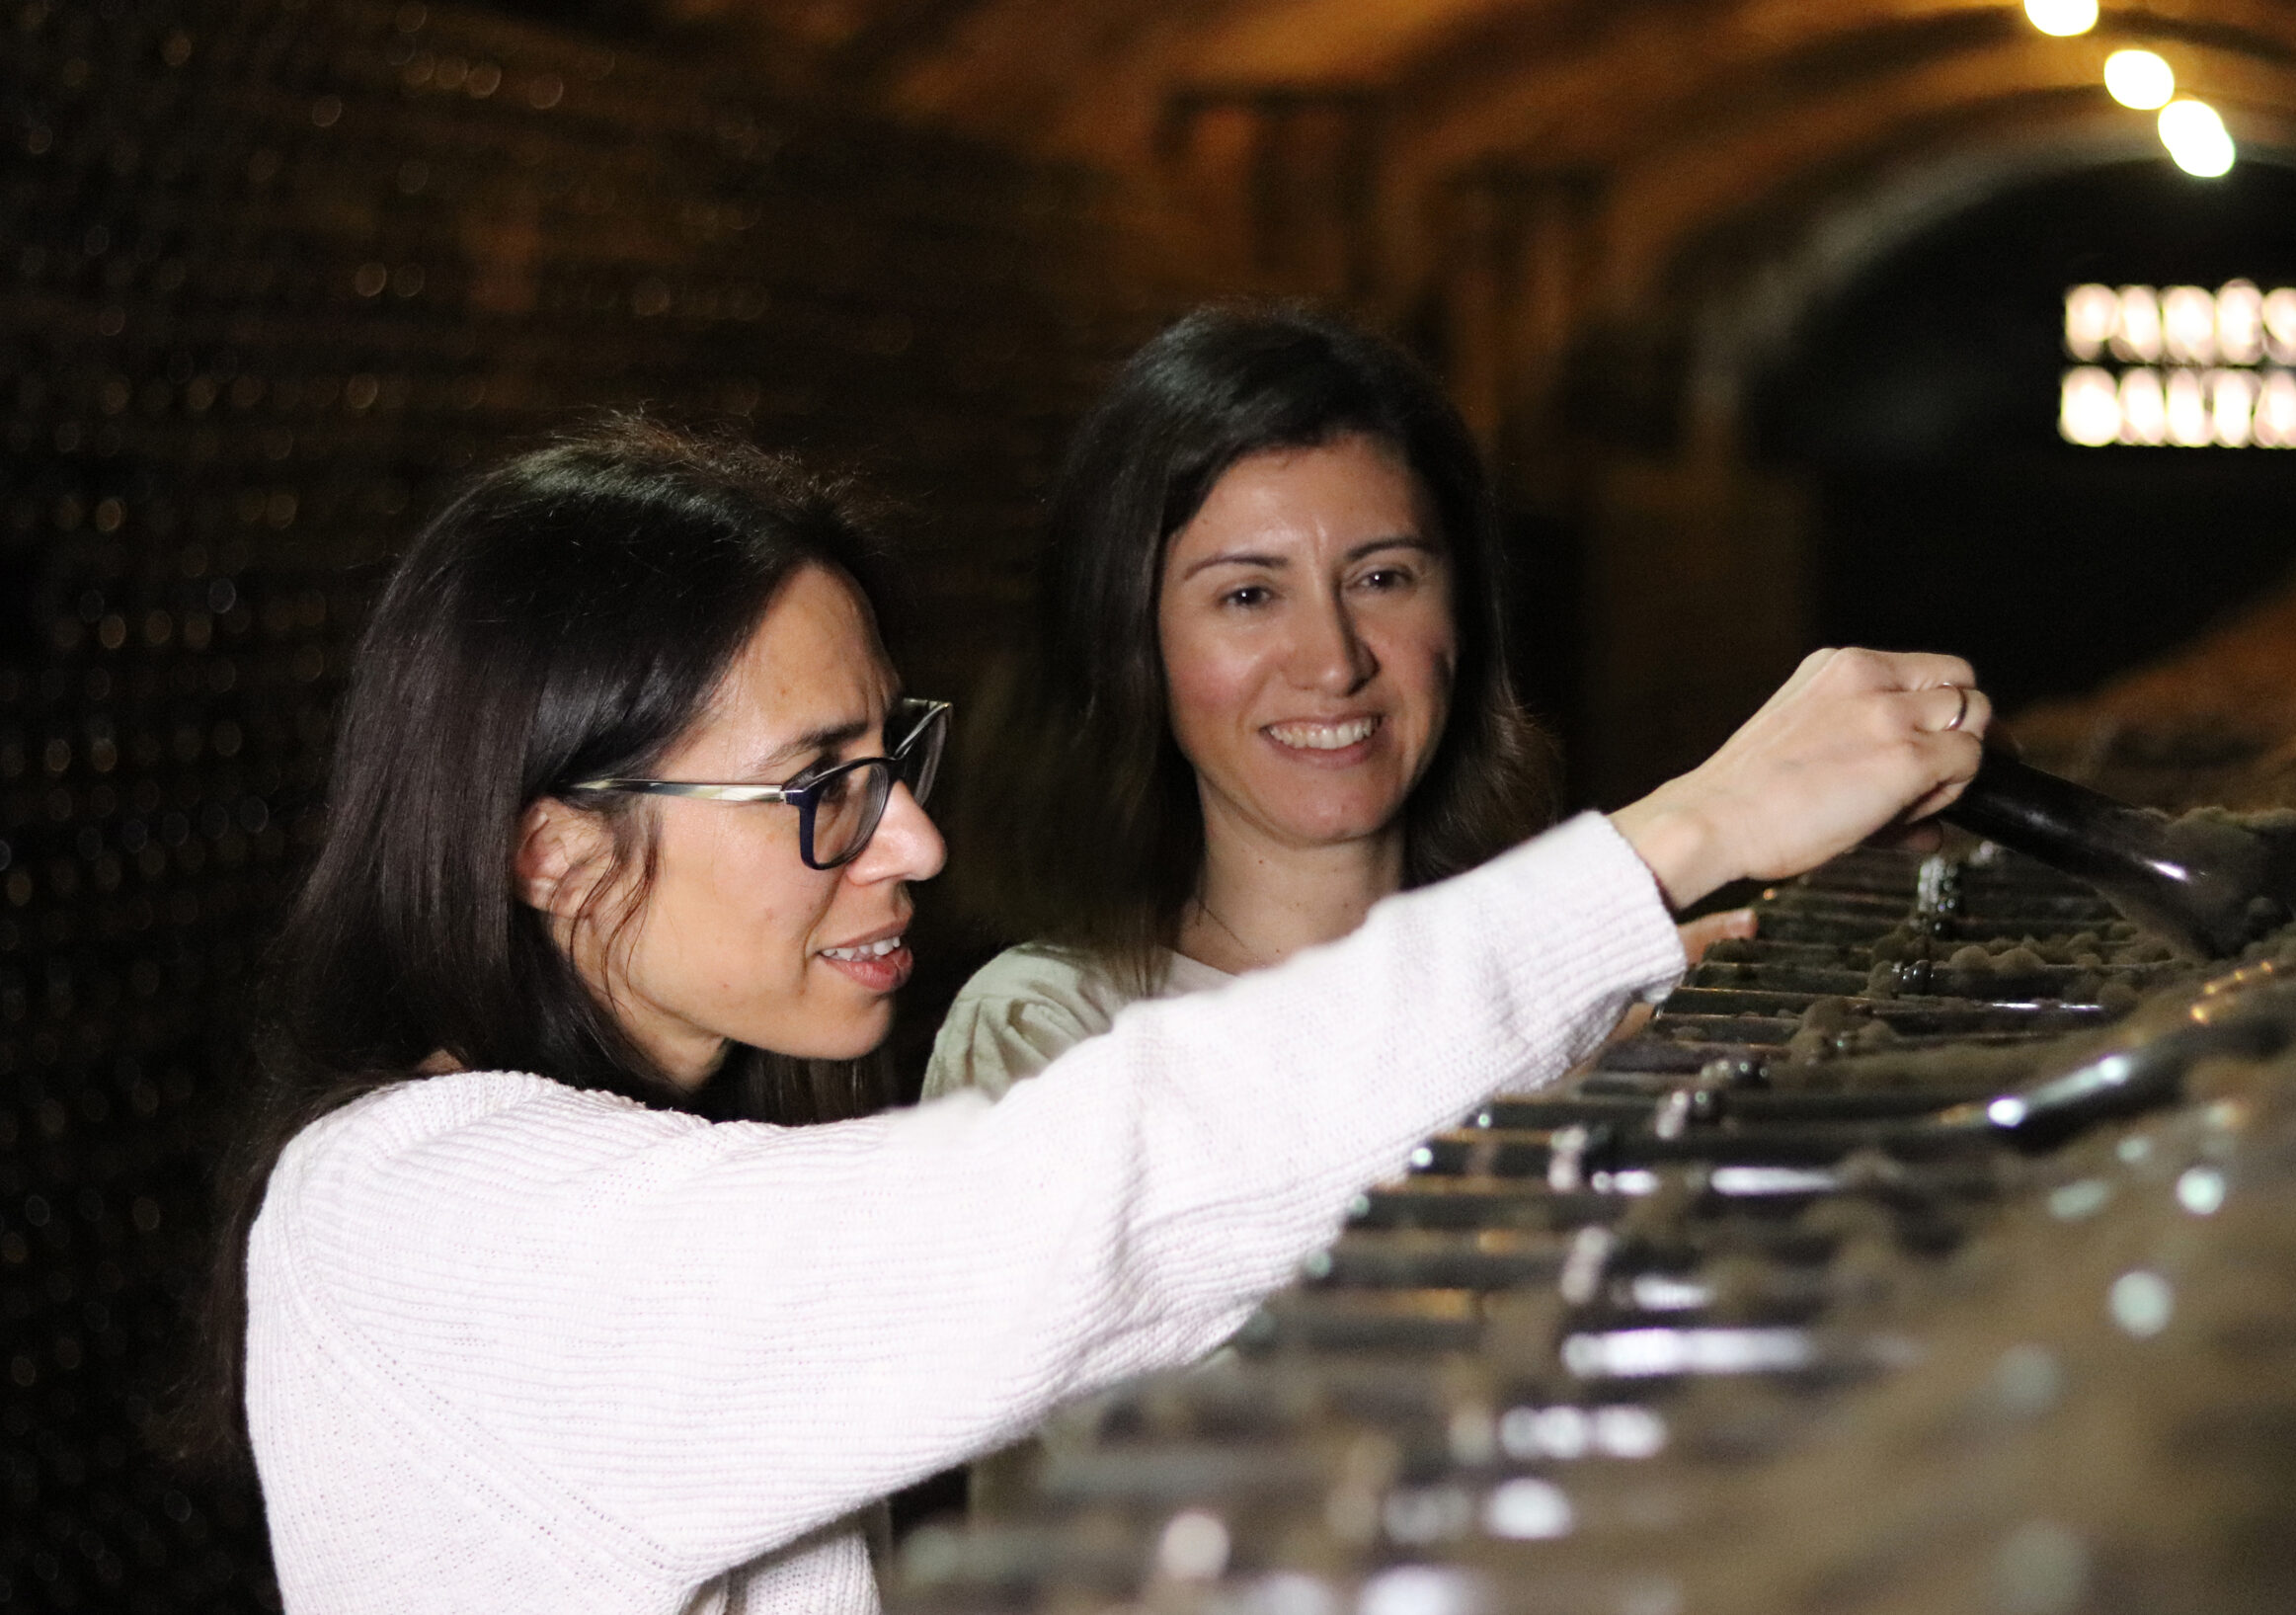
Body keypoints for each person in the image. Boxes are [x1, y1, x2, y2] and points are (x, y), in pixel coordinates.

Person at [207, 418, 1987, 1615]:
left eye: (893, 759)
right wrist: (1669, 844)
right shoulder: (415, 1227)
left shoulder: (655, 1178)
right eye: (817, 788)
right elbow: (1095, 1193)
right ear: (557, 851)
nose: (911, 839)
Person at [926, 308, 1749, 1102]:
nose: (1334, 661)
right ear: (1135, 641)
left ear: (1461, 617)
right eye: (1249, 594)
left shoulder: (1584, 987)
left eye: (1382, 579)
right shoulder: (1050, 1029)